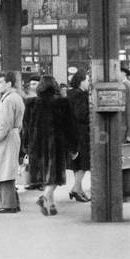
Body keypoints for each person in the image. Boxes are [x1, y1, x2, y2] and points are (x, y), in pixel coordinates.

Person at [22, 74, 78, 216]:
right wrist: (73, 146)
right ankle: (44, 197)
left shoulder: (31, 103)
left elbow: (26, 126)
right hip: (56, 143)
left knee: (47, 175)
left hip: (37, 145)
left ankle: (51, 205)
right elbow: (70, 126)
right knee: (55, 175)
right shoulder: (62, 102)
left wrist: (26, 145)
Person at [0, 71, 25, 213]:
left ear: (9, 83)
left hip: (5, 137)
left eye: (0, 82)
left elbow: (5, 123)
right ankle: (12, 202)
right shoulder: (14, 97)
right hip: (12, 135)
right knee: (6, 169)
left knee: (3, 171)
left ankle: (8, 204)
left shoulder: (9, 99)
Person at [67, 71, 91, 202]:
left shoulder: (71, 94)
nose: (88, 83)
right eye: (87, 80)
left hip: (73, 132)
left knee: (78, 164)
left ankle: (79, 190)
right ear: (81, 81)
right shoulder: (80, 96)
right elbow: (81, 114)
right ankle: (75, 189)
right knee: (83, 163)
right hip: (81, 133)